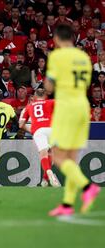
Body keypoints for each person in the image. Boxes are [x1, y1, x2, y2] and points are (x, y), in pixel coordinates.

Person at [44, 24, 101, 217]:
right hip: (83, 108)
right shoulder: (84, 57)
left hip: (66, 108)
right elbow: (85, 83)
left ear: (57, 39)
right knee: (72, 160)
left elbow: (49, 86)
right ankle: (67, 204)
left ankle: (87, 187)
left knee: (58, 157)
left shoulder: (57, 56)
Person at [19, 88, 60, 187]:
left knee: (43, 154)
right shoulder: (51, 102)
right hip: (51, 129)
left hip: (38, 130)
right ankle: (45, 180)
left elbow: (21, 125)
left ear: (35, 96)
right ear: (45, 95)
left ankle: (48, 173)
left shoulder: (29, 106)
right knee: (52, 155)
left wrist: (32, 130)